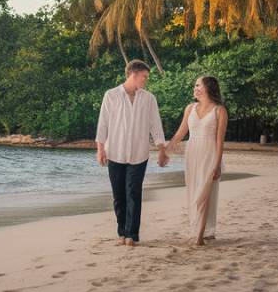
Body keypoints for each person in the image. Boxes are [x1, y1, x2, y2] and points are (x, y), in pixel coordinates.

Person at [95, 60, 169, 247]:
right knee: (119, 196)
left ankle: (132, 235)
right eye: (144, 76)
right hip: (115, 152)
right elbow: (102, 124)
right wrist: (100, 149)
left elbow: (156, 125)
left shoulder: (149, 98)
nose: (146, 80)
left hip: (139, 154)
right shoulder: (111, 95)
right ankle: (122, 232)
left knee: (134, 194)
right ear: (133, 74)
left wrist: (161, 149)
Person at [166, 76, 227, 246]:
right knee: (194, 194)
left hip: (210, 155)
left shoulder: (219, 111)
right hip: (192, 156)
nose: (195, 88)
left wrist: (217, 165)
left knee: (203, 195)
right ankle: (203, 230)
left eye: (198, 85)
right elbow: (180, 134)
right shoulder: (190, 108)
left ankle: (199, 237)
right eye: (195, 85)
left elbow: (219, 141)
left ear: (208, 87)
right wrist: (166, 150)